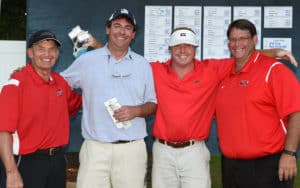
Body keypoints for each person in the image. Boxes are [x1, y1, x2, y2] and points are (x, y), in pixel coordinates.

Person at [89, 25, 297, 188]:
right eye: (177, 46)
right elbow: (122, 59)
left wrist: (274, 51)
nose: (182, 50)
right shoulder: (153, 70)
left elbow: (242, 52)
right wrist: (96, 44)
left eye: (188, 45)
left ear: (195, 48)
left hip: (194, 151)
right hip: (162, 151)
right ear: (169, 48)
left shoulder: (212, 69)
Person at [60, 8, 157, 188]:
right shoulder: (87, 61)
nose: (122, 31)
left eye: (128, 28)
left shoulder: (143, 65)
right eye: (117, 26)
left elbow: (153, 104)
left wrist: (137, 111)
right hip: (95, 148)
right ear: (107, 29)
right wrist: (32, 72)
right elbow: (58, 84)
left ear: (134, 34)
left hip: (131, 149)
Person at [215, 19, 300, 188]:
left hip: (269, 165)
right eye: (233, 39)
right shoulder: (224, 72)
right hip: (231, 167)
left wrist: (289, 153)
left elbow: (296, 113)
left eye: (243, 38)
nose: (237, 44)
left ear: (255, 40)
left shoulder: (274, 70)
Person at [0, 30, 82, 188]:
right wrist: (11, 172)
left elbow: (77, 103)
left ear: (57, 53)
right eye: (41, 48)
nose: (47, 54)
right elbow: (3, 132)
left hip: (57, 161)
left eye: (52, 49)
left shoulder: (60, 83)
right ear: (30, 52)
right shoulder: (16, 84)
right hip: (26, 162)